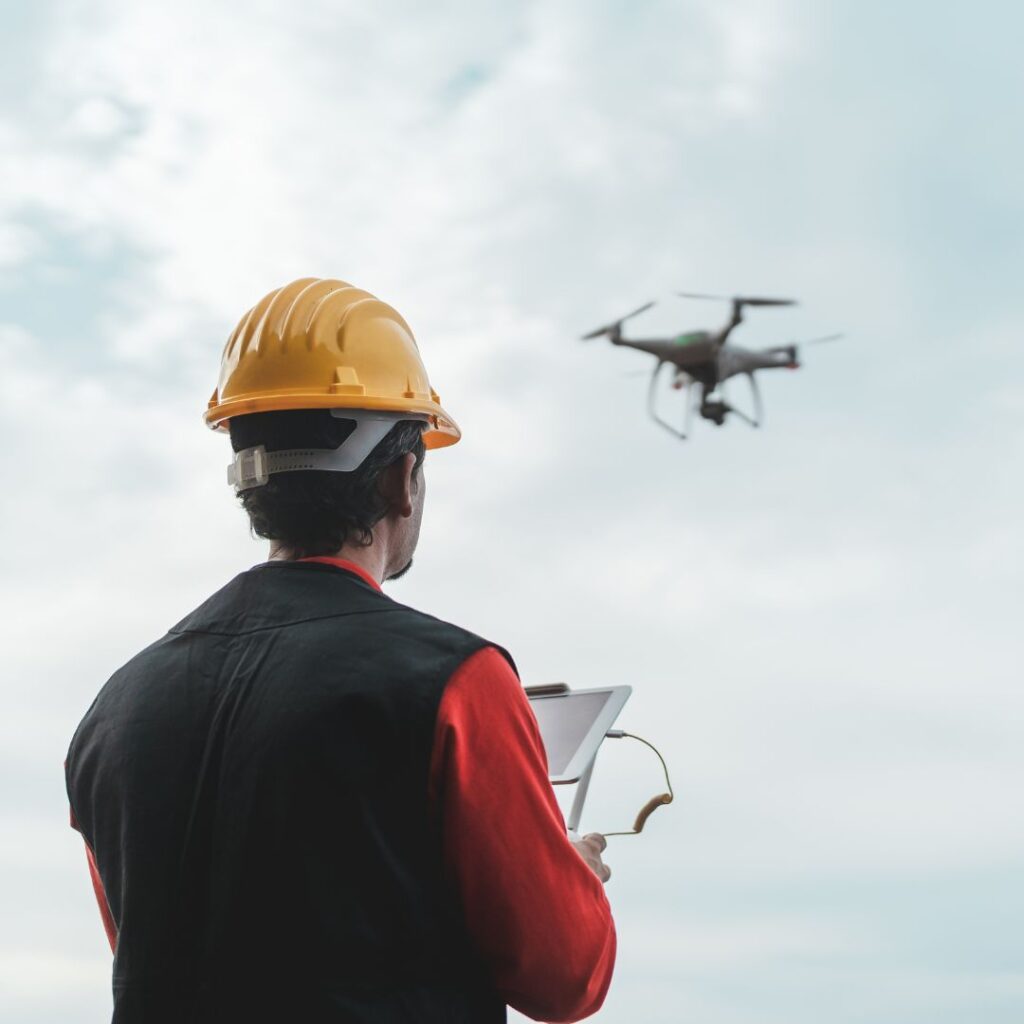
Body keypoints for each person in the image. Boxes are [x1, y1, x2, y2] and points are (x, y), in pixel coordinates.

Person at [65, 277, 615, 1023]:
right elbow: (564, 979)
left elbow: (157, 952)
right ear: (401, 479)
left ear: (249, 482)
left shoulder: (115, 708)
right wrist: (570, 880)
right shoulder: (455, 681)